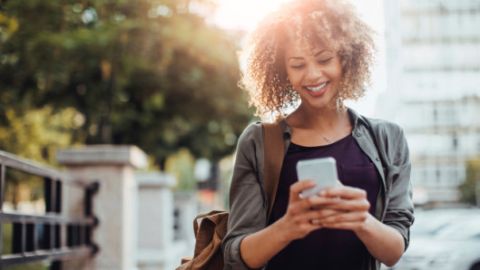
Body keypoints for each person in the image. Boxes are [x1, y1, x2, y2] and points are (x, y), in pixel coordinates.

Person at [221, 0, 414, 269]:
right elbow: (237, 254)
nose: (312, 75)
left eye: (324, 59)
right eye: (297, 65)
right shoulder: (258, 142)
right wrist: (289, 226)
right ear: (282, 71)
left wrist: (361, 220)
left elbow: (394, 252)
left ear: (346, 59)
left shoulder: (388, 139)